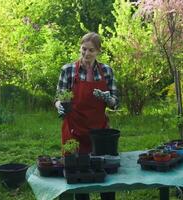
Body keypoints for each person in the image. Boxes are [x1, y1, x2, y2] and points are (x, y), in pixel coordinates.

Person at [54, 32, 119, 200]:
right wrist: (60, 106)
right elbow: (58, 98)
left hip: (100, 133)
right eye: (83, 49)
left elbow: (115, 103)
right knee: (79, 176)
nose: (86, 54)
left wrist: (108, 98)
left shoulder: (106, 71)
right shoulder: (68, 70)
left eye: (91, 50)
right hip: (73, 130)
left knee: (106, 176)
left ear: (98, 51)